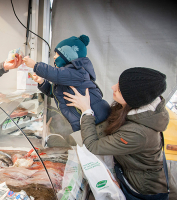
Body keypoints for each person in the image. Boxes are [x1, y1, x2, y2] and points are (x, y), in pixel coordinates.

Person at [64, 67, 177, 199]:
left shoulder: (137, 133)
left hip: (143, 189)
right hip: (129, 172)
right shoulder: (135, 108)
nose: (113, 87)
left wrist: (86, 111)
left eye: (119, 89)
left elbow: (93, 146)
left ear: (134, 98)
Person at [23, 35, 110, 133]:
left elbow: (56, 74)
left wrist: (35, 65)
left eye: (57, 54)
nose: (54, 57)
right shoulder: (67, 76)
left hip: (97, 121)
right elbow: (54, 93)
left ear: (68, 55)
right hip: (86, 122)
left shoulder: (77, 72)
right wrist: (42, 82)